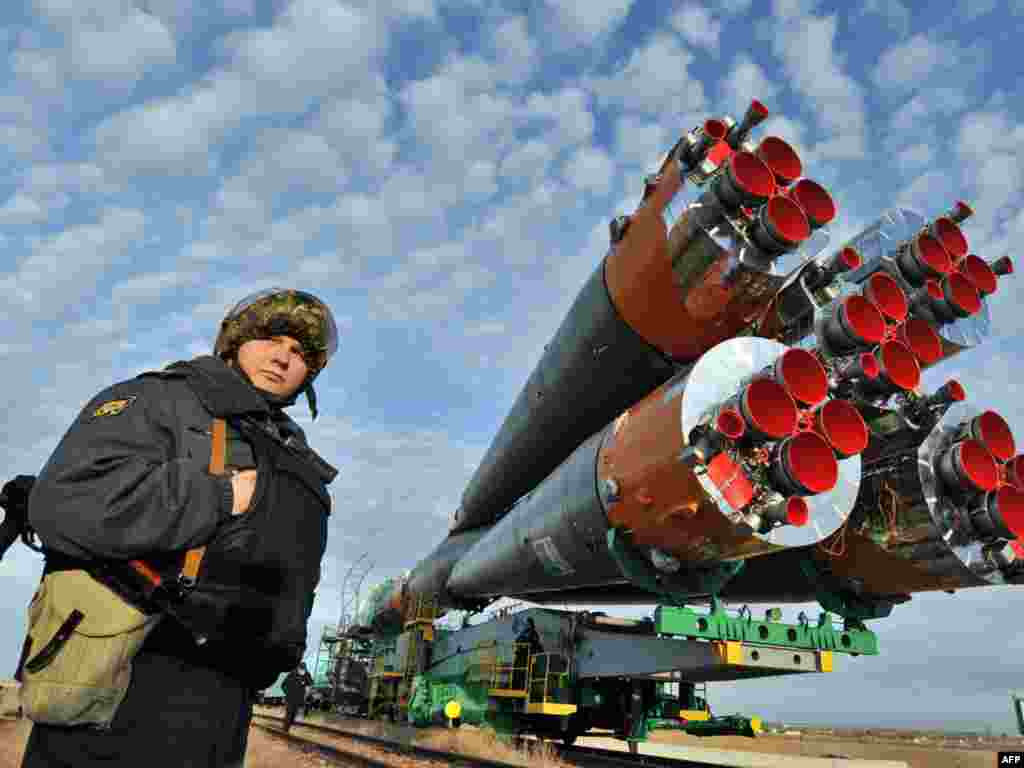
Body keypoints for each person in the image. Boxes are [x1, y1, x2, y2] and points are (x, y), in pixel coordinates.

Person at [19, 288, 340, 768]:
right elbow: (65, 502)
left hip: (224, 694)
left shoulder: (289, 452)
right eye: (271, 338)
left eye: (299, 353)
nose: (282, 357)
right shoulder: (162, 399)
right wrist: (223, 495)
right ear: (236, 341)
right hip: (125, 673)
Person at [512, 617, 543, 691]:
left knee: (524, 674)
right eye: (526, 623)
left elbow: (536, 644)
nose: (526, 625)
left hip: (527, 657)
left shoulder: (533, 633)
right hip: (520, 656)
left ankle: (523, 688)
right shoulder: (523, 633)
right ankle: (516, 687)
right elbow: (517, 641)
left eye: (527, 623)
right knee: (517, 673)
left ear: (530, 624)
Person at [282, 662, 313, 732]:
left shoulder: (307, 674)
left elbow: (310, 684)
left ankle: (288, 726)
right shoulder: (292, 674)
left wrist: (307, 692)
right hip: (290, 698)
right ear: (298, 668)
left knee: (294, 714)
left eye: (303, 669)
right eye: (301, 669)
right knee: (289, 713)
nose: (302, 671)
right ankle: (285, 730)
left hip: (300, 699)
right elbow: (283, 685)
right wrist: (287, 693)